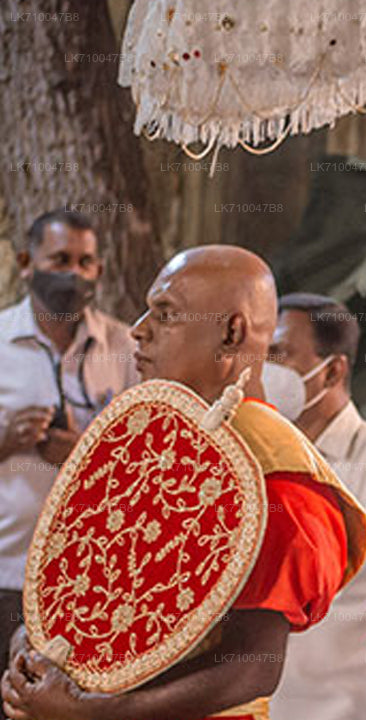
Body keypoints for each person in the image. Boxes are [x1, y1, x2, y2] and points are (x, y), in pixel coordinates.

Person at [1, 246, 366, 720]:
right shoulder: (143, 443)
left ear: (230, 333)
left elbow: (251, 666)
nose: (138, 330)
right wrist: (27, 651)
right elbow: (70, 588)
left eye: (165, 314)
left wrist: (100, 712)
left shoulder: (278, 479)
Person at [0, 209, 137, 664]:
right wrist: (6, 440)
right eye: (60, 260)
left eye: (85, 263)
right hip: (6, 574)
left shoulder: (128, 350)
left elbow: (147, 462)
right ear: (26, 262)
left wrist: (88, 455)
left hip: (89, 582)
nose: (74, 275)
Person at [262, 293, 366, 720]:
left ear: (333, 369)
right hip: (263, 703)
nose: (266, 370)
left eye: (281, 354)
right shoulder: (258, 455)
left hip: (350, 706)